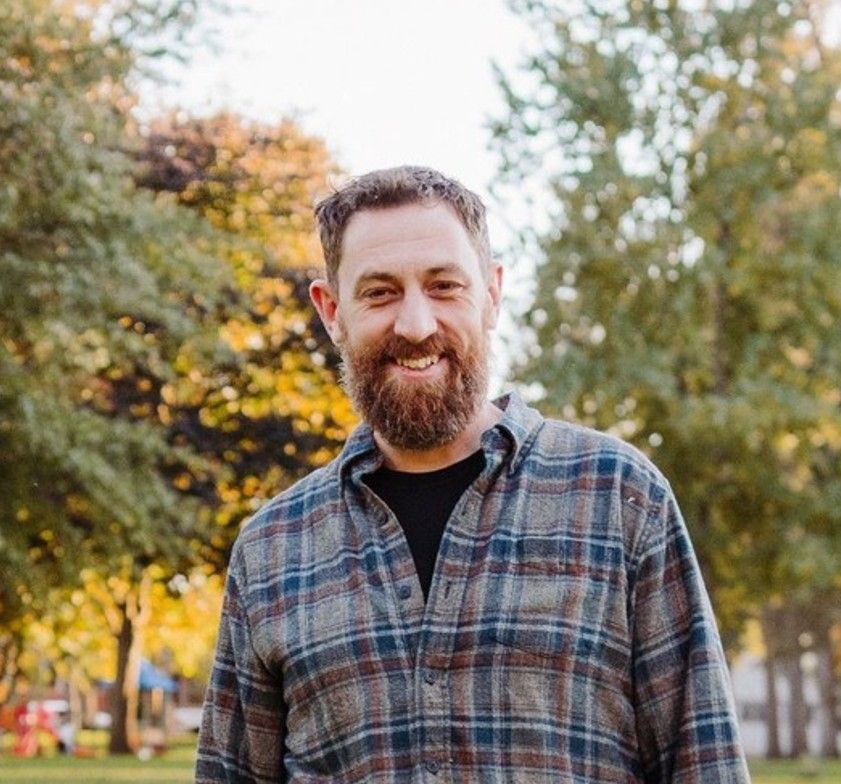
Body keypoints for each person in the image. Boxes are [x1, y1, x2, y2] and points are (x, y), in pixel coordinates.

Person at [195, 166, 749, 783]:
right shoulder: (272, 548)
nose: (415, 325)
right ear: (331, 310)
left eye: (444, 286)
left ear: (490, 294)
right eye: (379, 292)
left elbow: (707, 767)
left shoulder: (620, 499)